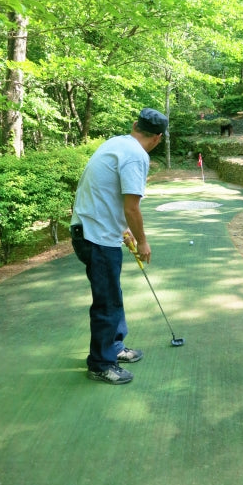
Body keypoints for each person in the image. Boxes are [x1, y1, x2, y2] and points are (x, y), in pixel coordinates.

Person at [70, 107, 168, 385]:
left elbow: (107, 193)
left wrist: (123, 231)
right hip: (95, 236)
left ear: (135, 124)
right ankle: (101, 364)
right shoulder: (137, 156)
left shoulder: (116, 143)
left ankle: (114, 346)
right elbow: (132, 207)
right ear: (158, 138)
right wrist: (142, 241)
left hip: (93, 230)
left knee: (112, 294)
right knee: (107, 301)